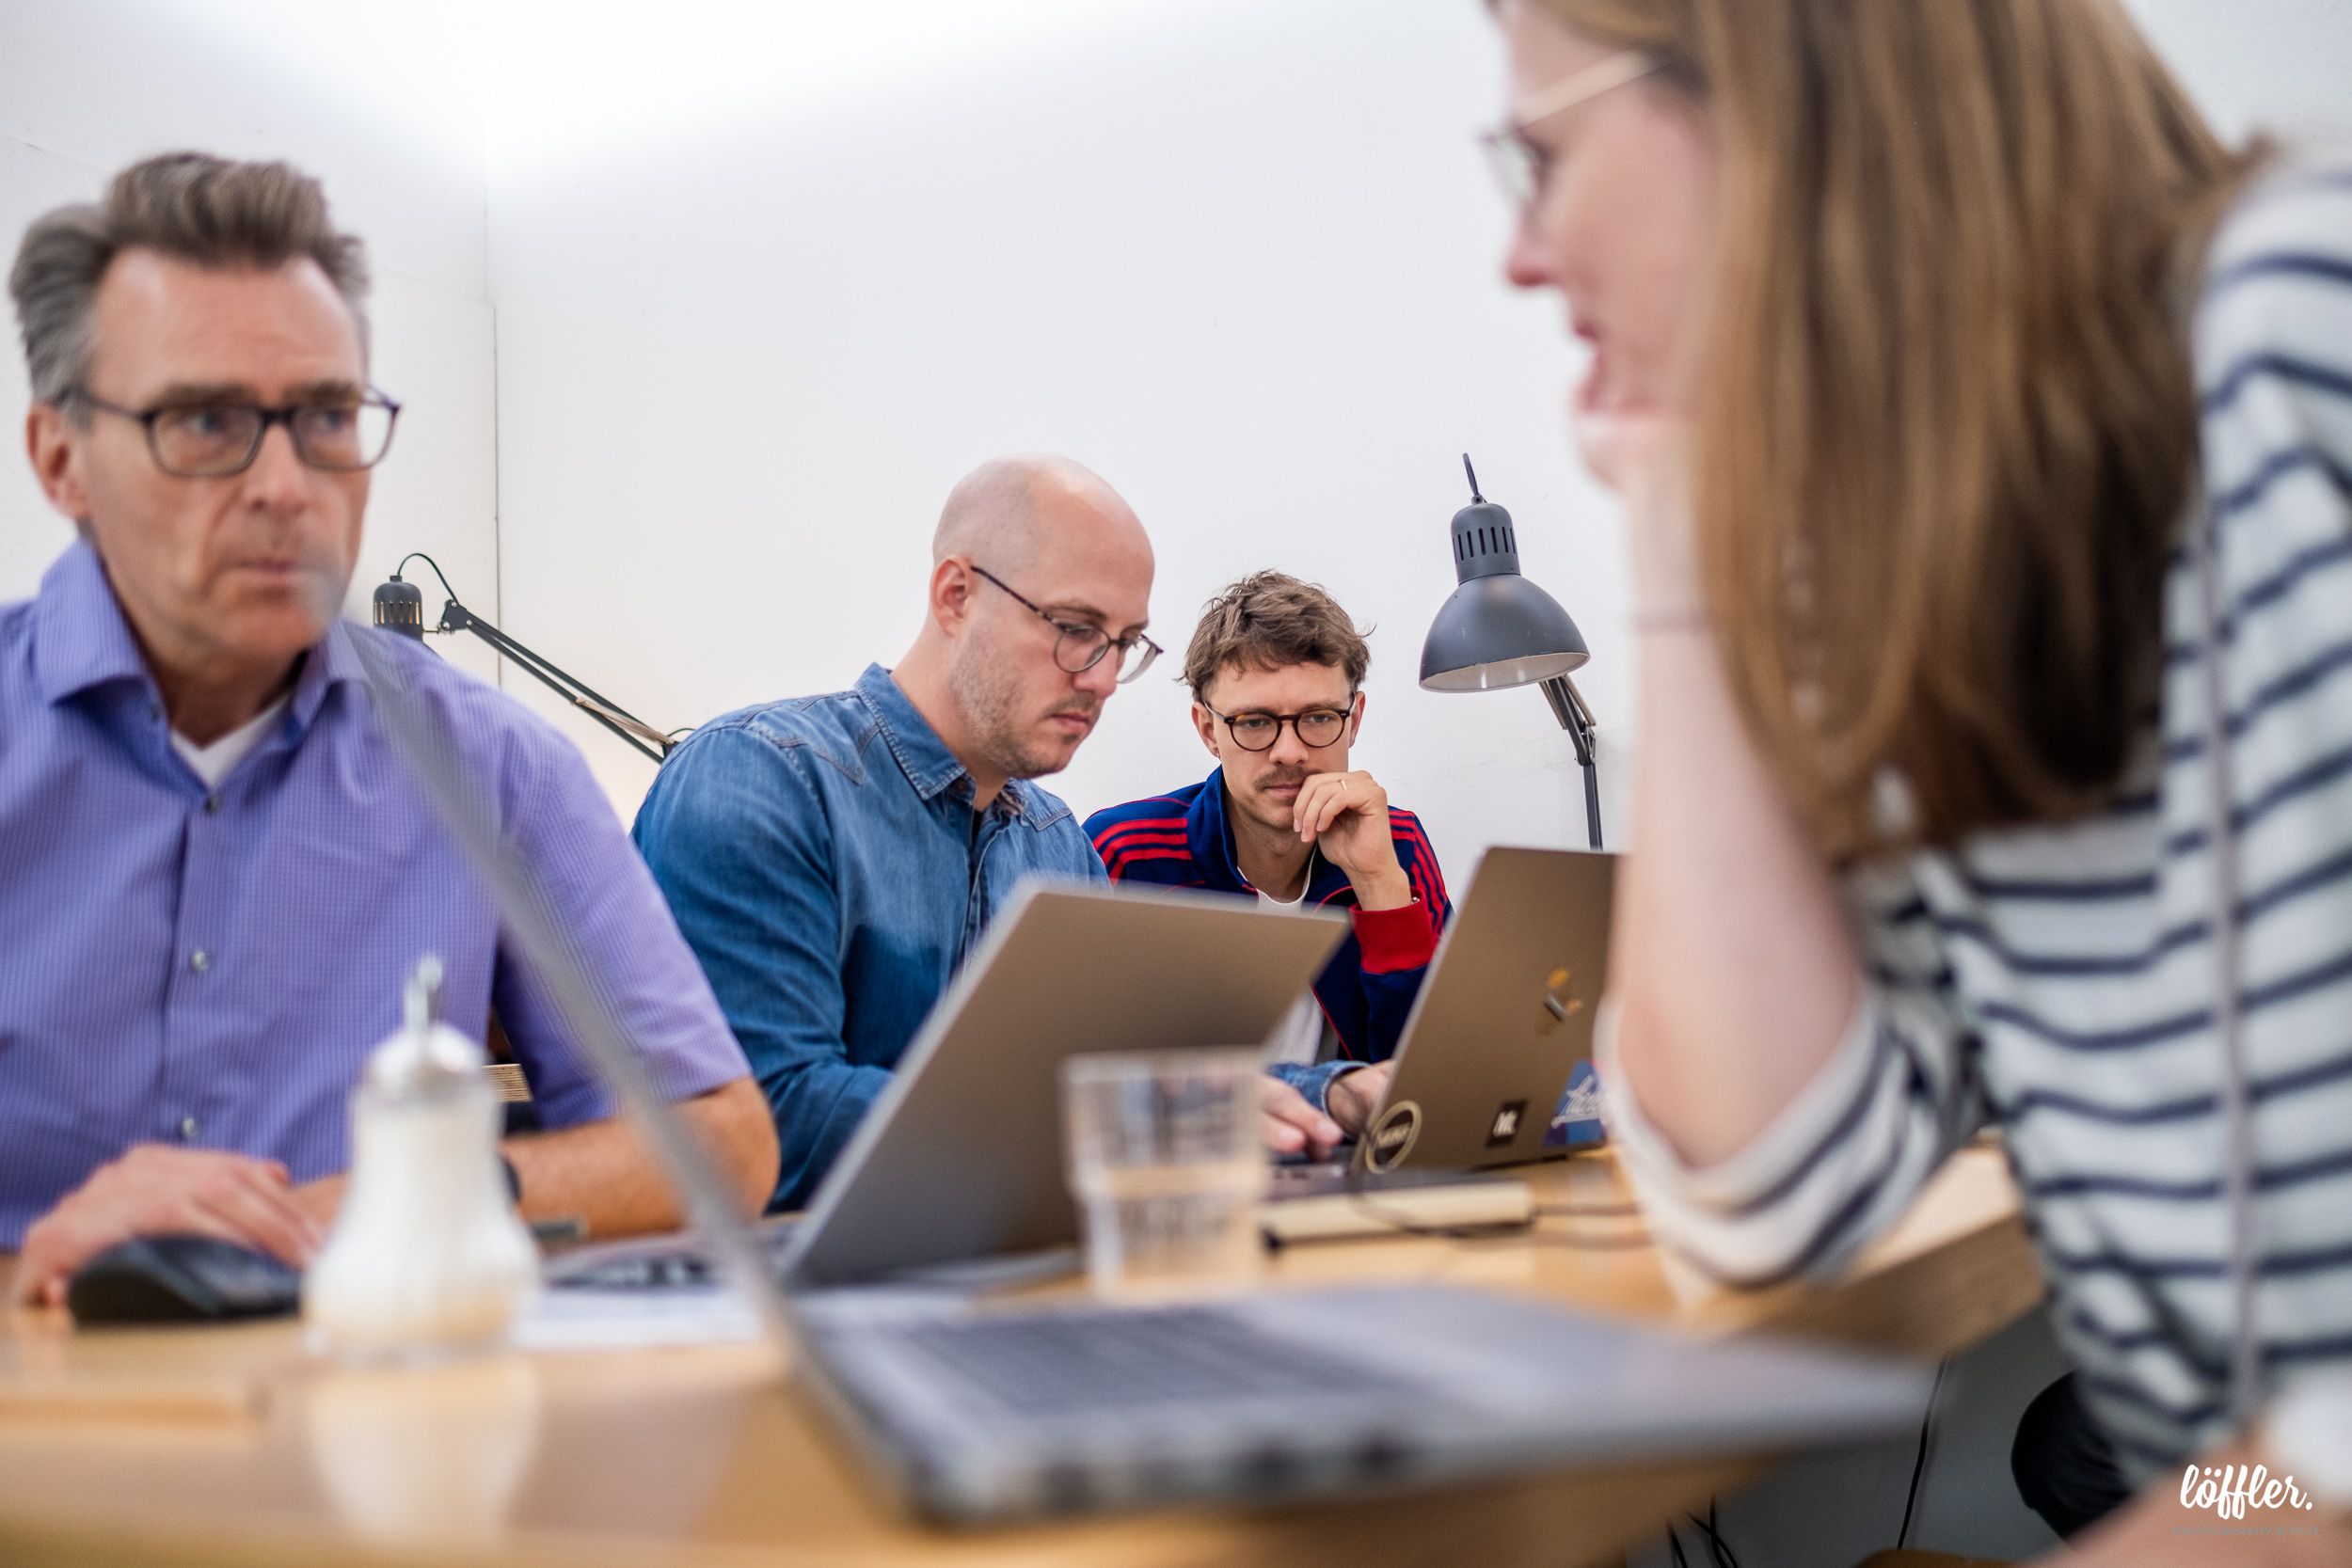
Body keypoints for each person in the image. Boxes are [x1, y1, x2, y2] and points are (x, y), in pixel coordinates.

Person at [1484, 0, 2352, 1553]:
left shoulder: (2290, 318)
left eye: (1540, 156)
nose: (1523, 253)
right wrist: (1680, 524)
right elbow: (1773, 1198)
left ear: (1767, 95)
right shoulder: (1912, 587)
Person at [0, 153, 776, 1306]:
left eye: (324, 417)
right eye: (205, 420)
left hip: (382, 1415)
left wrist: (407, 1193)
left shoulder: (493, 764)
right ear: (62, 458)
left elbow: (722, 1143)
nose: (284, 484)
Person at [636, 461, 1364, 1210]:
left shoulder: (1053, 841)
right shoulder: (761, 778)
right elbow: (769, 1122)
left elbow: (1139, 1079)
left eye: (1125, 643)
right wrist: (1114, 1120)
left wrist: (1334, 1093)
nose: (1104, 679)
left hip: (1002, 1282)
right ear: (956, 595)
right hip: (786, 1306)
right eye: (1077, 630)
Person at [1087, 572, 1451, 1133]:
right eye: (1254, 723)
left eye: (1318, 719)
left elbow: (1427, 1080)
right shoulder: (1126, 850)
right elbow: (1095, 1080)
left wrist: (1380, 885)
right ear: (1208, 730)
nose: (1290, 752)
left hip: (1353, 1179)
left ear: (1353, 720)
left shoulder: (1394, 844)